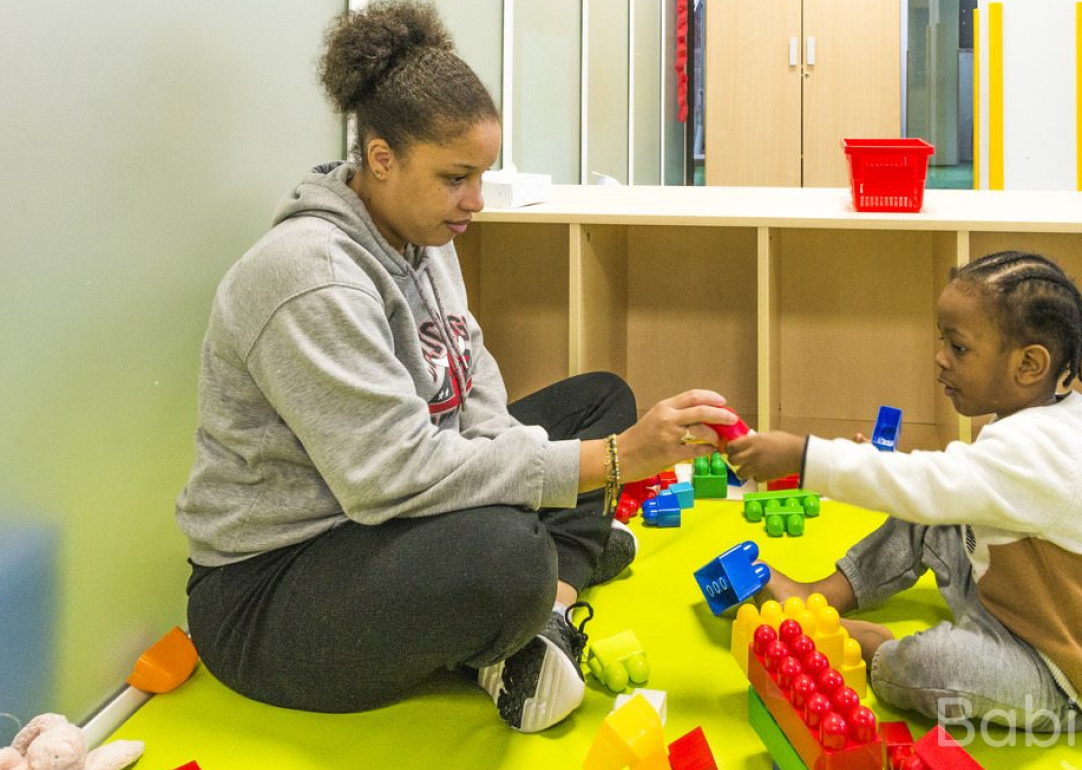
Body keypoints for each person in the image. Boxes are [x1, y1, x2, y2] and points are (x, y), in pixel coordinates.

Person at [174, 0, 735, 734]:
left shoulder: (425, 237)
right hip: (273, 590)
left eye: (480, 176)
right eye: (455, 177)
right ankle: (541, 582)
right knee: (509, 554)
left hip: (385, 517)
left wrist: (552, 466)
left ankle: (550, 607)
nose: (474, 202)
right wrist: (611, 464)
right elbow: (389, 479)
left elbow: (472, 388)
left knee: (602, 396)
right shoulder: (309, 278)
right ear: (381, 158)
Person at [726, 251, 1082, 732]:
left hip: (1062, 672)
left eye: (960, 347)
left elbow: (931, 484)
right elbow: (943, 485)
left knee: (933, 665)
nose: (940, 358)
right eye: (941, 340)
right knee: (931, 507)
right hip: (1010, 597)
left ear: (1029, 365)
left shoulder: (1042, 448)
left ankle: (873, 645)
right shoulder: (1047, 413)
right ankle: (828, 592)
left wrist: (802, 457)